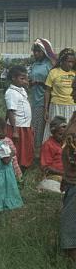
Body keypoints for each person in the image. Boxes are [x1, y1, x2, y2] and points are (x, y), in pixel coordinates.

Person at [29, 39, 56, 153]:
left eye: (38, 51)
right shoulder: (35, 64)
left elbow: (52, 84)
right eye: (34, 51)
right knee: (35, 126)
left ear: (44, 52)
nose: (35, 54)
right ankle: (36, 151)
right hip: (34, 99)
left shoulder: (49, 65)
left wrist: (39, 83)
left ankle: (42, 152)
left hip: (44, 100)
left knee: (42, 127)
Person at [43, 48, 76, 142]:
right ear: (62, 61)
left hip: (72, 106)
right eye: (68, 61)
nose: (70, 64)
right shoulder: (53, 72)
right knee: (55, 129)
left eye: (72, 62)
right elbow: (47, 91)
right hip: (57, 106)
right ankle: (52, 152)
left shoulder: (74, 73)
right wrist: (46, 109)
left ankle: (67, 151)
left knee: (69, 130)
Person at [5, 65, 33, 171]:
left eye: (26, 78)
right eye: (22, 79)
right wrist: (15, 131)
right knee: (18, 148)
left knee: (26, 146)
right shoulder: (11, 93)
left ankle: (24, 166)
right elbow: (11, 111)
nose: (25, 81)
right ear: (13, 78)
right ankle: (17, 167)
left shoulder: (21, 89)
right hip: (18, 126)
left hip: (25, 124)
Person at [60, 112, 76, 261]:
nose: (71, 93)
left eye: (74, 89)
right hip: (71, 178)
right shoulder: (74, 116)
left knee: (70, 223)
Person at [39, 116, 66, 193]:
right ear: (53, 132)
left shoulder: (67, 143)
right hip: (55, 176)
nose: (63, 137)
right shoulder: (48, 145)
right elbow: (46, 167)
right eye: (60, 134)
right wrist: (63, 173)